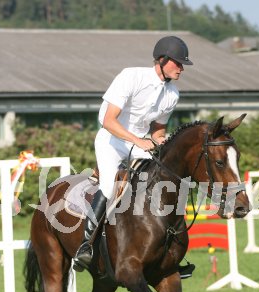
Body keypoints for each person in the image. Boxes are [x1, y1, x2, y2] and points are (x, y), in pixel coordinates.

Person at [73, 35, 193, 272]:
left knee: (164, 182)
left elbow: (158, 131)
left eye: (182, 65)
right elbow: (109, 121)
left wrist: (162, 141)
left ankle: (168, 250)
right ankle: (85, 246)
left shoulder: (173, 94)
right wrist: (140, 140)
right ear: (162, 60)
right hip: (111, 140)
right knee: (109, 187)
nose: (181, 68)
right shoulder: (131, 77)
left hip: (139, 145)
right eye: (177, 63)